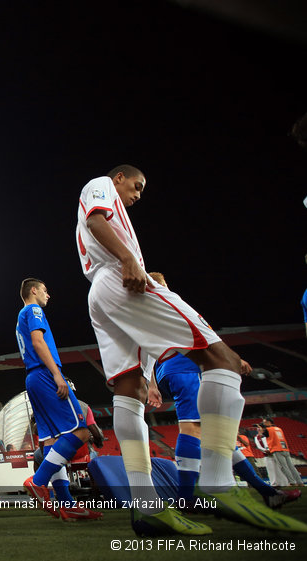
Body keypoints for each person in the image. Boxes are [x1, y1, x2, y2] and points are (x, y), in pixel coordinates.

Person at [76, 165, 307, 536]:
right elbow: (96, 220)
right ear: (119, 178)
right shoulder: (101, 185)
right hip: (120, 280)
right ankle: (218, 483)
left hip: (101, 292)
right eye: (136, 186)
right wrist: (130, 260)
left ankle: (147, 507)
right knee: (225, 360)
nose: (137, 195)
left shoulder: (115, 209)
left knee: (130, 392)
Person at [144, 273, 300, 510]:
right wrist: (231, 359)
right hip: (185, 367)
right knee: (192, 427)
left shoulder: (144, 312)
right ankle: (186, 497)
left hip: (170, 370)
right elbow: (202, 334)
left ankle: (266, 491)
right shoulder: (168, 301)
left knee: (219, 434)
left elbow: (145, 348)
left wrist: (152, 384)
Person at [16, 278, 102, 521]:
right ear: (33, 291)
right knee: (82, 431)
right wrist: (57, 374)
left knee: (52, 441)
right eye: (45, 290)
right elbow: (38, 341)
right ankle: (38, 481)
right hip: (44, 374)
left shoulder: (21, 314)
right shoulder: (33, 309)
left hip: (32, 378)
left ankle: (67, 503)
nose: (48, 295)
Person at [264, 419, 305, 487]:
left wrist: (261, 429)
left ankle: (292, 482)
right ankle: (300, 482)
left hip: (277, 449)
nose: (264, 424)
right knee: (291, 467)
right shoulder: (278, 428)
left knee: (283, 467)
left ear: (269, 423)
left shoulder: (269, 429)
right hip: (285, 449)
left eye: (264, 422)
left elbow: (263, 434)